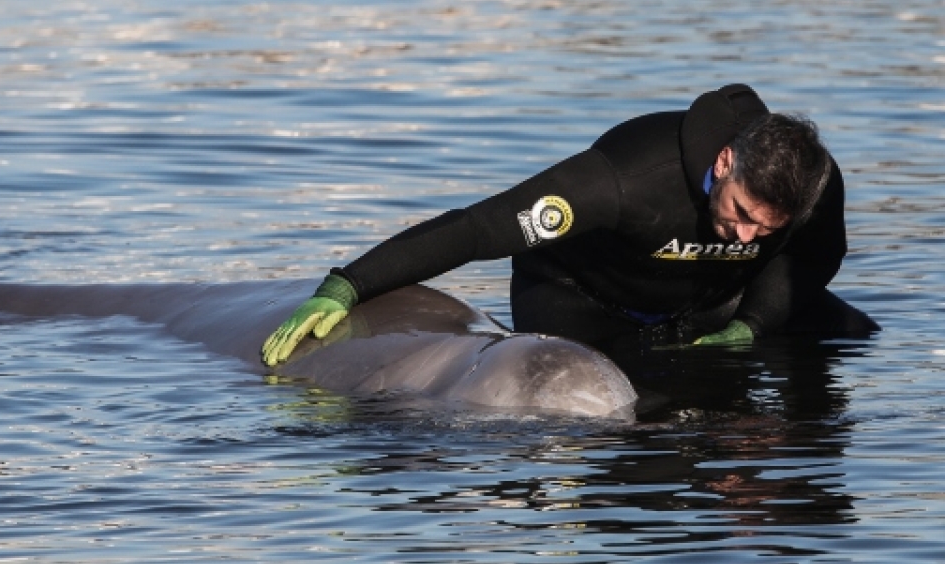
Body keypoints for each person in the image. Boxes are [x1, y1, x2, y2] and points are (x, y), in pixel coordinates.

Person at [261, 84, 878, 366]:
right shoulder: (626, 177)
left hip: (710, 302)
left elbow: (812, 261)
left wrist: (752, 325)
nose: (745, 237)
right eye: (741, 214)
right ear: (724, 163)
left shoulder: (812, 187)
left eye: (765, 231)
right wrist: (347, 285)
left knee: (854, 336)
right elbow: (479, 228)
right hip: (580, 299)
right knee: (631, 411)